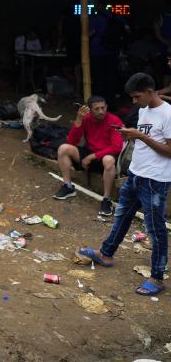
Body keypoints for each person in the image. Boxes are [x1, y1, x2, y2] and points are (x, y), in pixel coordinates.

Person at [77, 73, 171, 297]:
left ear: (150, 92)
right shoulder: (144, 110)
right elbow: (145, 142)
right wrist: (131, 137)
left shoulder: (167, 114)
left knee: (155, 229)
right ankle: (106, 254)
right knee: (122, 216)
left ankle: (157, 277)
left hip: (155, 180)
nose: (134, 101)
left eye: (137, 96)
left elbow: (169, 150)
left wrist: (140, 136)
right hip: (135, 175)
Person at [53, 96, 123, 215]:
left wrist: (92, 156)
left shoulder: (114, 120)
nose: (101, 111)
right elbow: (72, 141)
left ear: (106, 107)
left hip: (105, 156)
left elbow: (117, 147)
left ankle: (106, 199)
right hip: (90, 152)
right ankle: (68, 186)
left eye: (103, 108)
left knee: (109, 159)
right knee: (63, 148)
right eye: (97, 109)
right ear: (90, 110)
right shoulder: (86, 119)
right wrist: (79, 119)